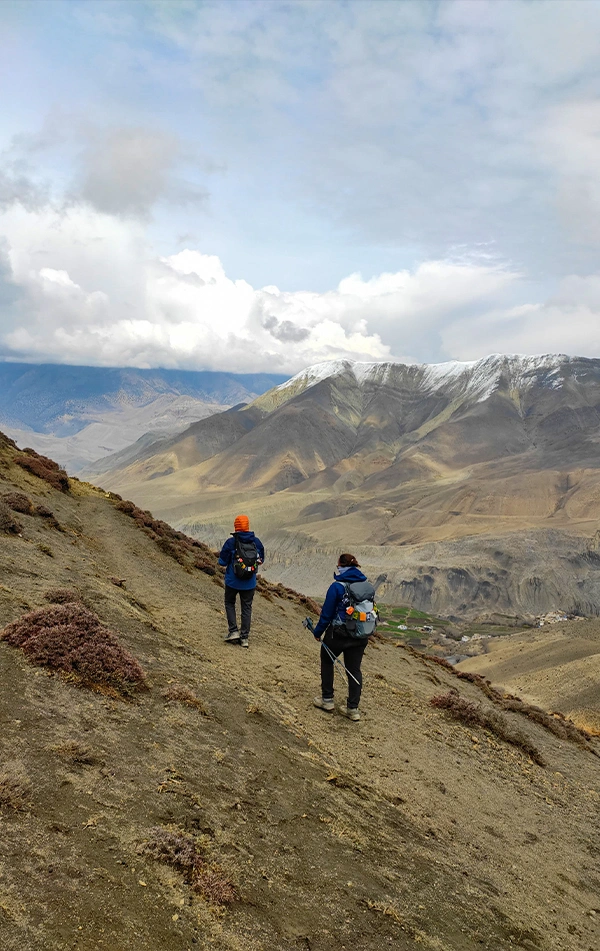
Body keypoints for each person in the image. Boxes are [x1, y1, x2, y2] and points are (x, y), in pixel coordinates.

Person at [311, 553, 374, 721]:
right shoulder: (366, 585)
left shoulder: (337, 586)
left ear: (341, 566)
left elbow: (326, 613)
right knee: (354, 670)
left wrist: (318, 632)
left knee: (326, 660)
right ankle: (353, 709)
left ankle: (327, 700)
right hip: (361, 635)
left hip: (339, 634)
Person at [218, 515, 265, 648]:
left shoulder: (230, 542)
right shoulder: (256, 542)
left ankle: (233, 631)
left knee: (229, 602)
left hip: (232, 582)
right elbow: (261, 559)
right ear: (248, 526)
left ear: (236, 526)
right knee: (246, 608)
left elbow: (222, 561)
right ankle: (244, 638)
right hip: (249, 583)